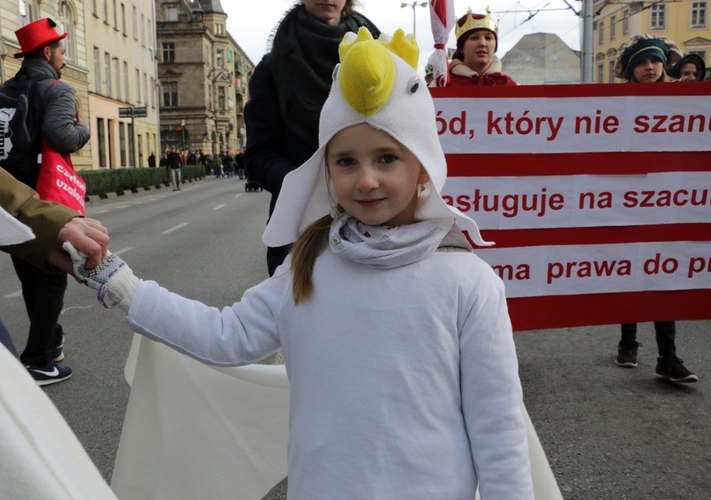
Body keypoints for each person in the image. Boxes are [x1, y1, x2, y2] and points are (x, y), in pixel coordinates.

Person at [69, 28, 533, 498]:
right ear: (325, 170)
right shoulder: (306, 266)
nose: (366, 179)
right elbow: (226, 336)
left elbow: (497, 428)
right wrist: (120, 283)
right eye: (346, 161)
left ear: (423, 167)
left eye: (387, 157)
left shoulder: (468, 281)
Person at [0, 18, 91, 385]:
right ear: (47, 52)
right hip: (43, 199)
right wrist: (84, 128)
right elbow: (63, 136)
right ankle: (39, 360)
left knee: (31, 274)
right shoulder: (57, 89)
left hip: (6, 198)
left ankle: (52, 341)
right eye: (61, 49)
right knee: (53, 277)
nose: (64, 55)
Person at [244, 0, 380, 276]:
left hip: (377, 222)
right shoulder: (273, 69)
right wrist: (310, 185)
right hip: (302, 228)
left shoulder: (382, 57)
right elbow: (258, 156)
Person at [0, 139, 109, 356]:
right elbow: (61, 134)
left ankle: (46, 347)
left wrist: (43, 222)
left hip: (15, 191)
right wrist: (79, 130)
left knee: (30, 282)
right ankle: (40, 356)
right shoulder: (52, 103)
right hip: (40, 189)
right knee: (51, 284)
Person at [612, 34, 697, 383]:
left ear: (664, 65)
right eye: (642, 63)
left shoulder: (683, 103)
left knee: (664, 274)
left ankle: (668, 357)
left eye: (655, 61)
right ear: (631, 71)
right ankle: (628, 342)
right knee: (630, 269)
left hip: (667, 201)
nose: (650, 67)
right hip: (628, 197)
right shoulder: (616, 104)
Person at [444, 8, 516, 87]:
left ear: (495, 47)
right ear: (461, 48)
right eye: (474, 38)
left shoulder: (510, 86)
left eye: (488, 38)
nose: (482, 43)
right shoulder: (442, 86)